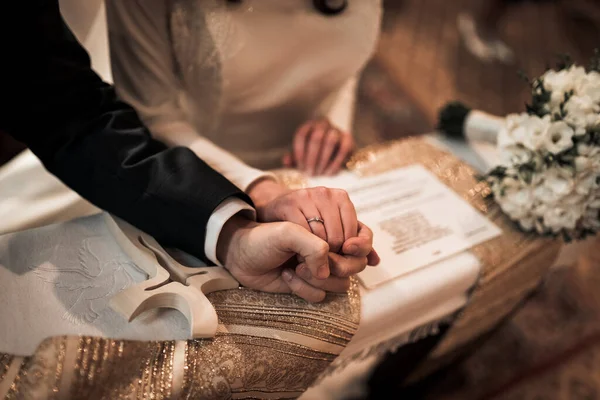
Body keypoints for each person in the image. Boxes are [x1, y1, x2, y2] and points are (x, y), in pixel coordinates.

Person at [0, 0, 378, 303]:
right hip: (179, 171)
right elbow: (132, 114)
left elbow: (344, 67)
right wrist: (256, 195)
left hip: (310, 175)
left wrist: (330, 125)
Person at [105, 0, 382, 214]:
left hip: (322, 175)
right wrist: (257, 189)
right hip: (200, 176)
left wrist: (331, 126)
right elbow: (154, 116)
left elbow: (346, 60)